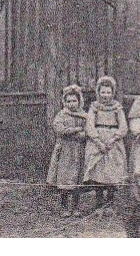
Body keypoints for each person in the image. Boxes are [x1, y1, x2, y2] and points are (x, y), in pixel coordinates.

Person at [82, 75, 129, 207]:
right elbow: (90, 125)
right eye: (103, 92)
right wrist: (98, 142)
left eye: (108, 92)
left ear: (113, 93)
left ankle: (109, 201)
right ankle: (99, 201)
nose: (106, 95)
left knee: (112, 172)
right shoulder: (94, 107)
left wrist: (114, 139)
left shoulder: (117, 108)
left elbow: (123, 127)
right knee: (98, 171)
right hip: (98, 142)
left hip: (113, 142)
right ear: (98, 92)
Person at [48, 84, 89, 212]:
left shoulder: (84, 116)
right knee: (64, 179)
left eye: (74, 101)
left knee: (77, 179)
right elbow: (58, 128)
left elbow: (88, 131)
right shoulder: (62, 115)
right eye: (68, 101)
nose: (71, 104)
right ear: (64, 102)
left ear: (79, 101)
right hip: (65, 150)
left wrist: (81, 135)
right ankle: (65, 207)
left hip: (78, 150)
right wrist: (74, 130)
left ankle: (75, 207)